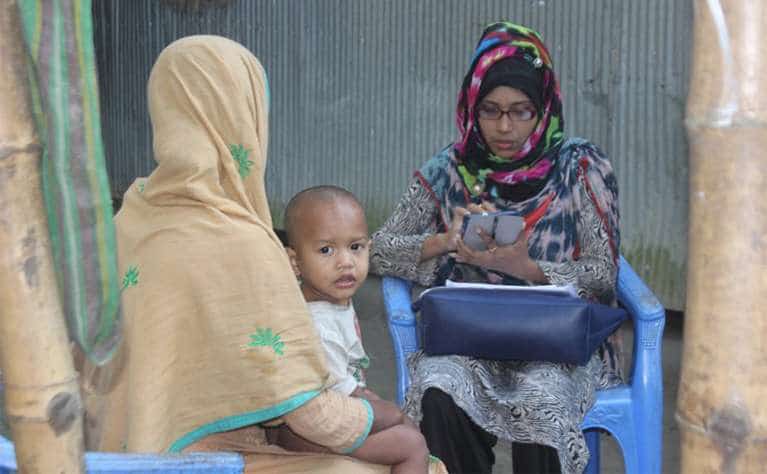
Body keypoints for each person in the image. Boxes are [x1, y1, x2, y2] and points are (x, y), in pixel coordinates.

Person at [94, 35, 445, 474]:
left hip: (112, 451)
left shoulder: (132, 215)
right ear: (242, 117)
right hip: (208, 455)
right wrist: (389, 418)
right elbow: (308, 412)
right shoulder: (240, 241)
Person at [370, 22, 622, 474]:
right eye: (490, 110)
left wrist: (529, 268)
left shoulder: (581, 166)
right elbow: (380, 249)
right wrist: (443, 242)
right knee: (440, 389)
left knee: (544, 396)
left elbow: (603, 273)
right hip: (469, 336)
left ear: (544, 107)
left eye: (521, 111)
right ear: (472, 106)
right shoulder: (449, 168)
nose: (504, 127)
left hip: (556, 343)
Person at [263, 184, 430, 473]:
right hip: (307, 433)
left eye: (356, 247)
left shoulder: (333, 300)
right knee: (411, 442)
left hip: (327, 419)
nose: (346, 262)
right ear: (295, 261)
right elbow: (342, 399)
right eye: (326, 250)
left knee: (403, 424)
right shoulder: (315, 323)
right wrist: (390, 412)